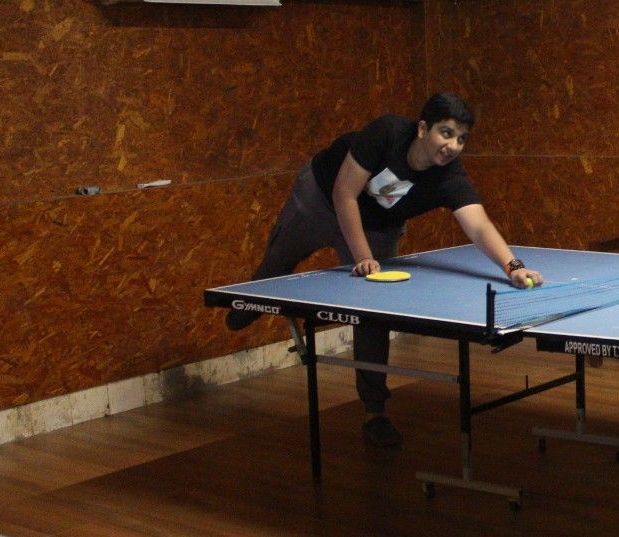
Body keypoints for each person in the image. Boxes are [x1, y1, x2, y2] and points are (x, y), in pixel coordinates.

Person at [226, 92, 543, 448]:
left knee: (373, 312)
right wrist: (363, 258)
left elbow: (479, 225)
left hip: (379, 226)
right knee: (278, 261)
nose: (453, 145)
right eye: (446, 132)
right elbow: (345, 193)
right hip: (319, 197)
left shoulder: (448, 176)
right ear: (423, 128)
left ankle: (374, 412)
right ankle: (250, 299)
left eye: (461, 138)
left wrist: (513, 266)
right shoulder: (387, 132)